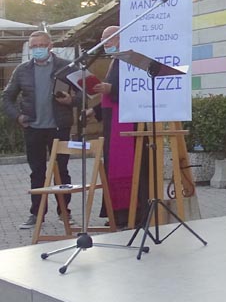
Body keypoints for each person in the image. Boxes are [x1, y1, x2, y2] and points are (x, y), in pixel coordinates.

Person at [1, 30, 79, 228]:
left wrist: (71, 101)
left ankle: (65, 212)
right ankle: (36, 214)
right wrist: (18, 117)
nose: (37, 49)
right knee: (37, 172)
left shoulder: (66, 66)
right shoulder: (22, 70)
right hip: (33, 128)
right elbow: (6, 97)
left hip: (59, 127)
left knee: (62, 171)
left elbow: (86, 91)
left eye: (41, 45)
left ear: (50, 46)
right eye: (33, 46)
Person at [91, 26, 135, 227]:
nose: (105, 42)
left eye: (109, 38)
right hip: (112, 121)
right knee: (111, 166)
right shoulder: (115, 60)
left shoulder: (129, 60)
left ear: (121, 38)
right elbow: (109, 92)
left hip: (125, 121)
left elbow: (134, 89)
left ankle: (128, 213)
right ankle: (115, 212)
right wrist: (93, 110)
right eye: (103, 38)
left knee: (124, 166)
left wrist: (112, 89)